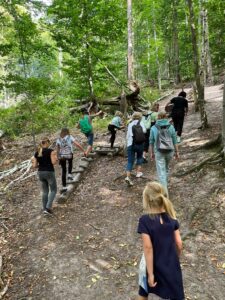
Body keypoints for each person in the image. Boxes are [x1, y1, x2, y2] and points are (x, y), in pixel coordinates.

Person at [137, 181, 184, 300]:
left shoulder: (144, 220)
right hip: (171, 265)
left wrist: (151, 274)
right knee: (177, 295)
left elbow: (148, 248)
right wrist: (175, 258)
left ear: (147, 200)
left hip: (152, 265)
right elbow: (179, 243)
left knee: (143, 292)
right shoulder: (172, 218)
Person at [149, 112, 179, 195]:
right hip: (170, 151)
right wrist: (177, 152)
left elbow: (151, 141)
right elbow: (175, 140)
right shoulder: (171, 127)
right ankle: (164, 185)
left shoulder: (153, 128)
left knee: (161, 172)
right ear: (166, 117)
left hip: (159, 151)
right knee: (166, 168)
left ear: (158, 117)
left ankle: (165, 192)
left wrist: (152, 153)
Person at [31, 138, 57, 216]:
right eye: (49, 143)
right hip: (49, 172)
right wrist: (56, 158)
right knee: (53, 190)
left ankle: (44, 208)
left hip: (40, 173)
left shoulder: (37, 153)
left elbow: (35, 166)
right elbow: (53, 162)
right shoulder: (51, 151)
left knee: (45, 191)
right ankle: (48, 207)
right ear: (47, 143)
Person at [56, 128, 86, 192]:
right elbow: (77, 144)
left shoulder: (58, 139)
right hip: (69, 154)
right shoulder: (70, 137)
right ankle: (69, 174)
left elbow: (58, 149)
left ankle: (64, 187)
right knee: (70, 163)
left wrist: (58, 157)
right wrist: (83, 150)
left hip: (62, 156)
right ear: (67, 132)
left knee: (63, 171)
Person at [125, 112, 146, 186]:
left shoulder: (130, 124)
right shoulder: (141, 123)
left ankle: (128, 177)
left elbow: (128, 136)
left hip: (131, 144)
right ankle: (138, 173)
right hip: (140, 144)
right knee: (139, 157)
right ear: (140, 117)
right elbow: (144, 131)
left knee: (130, 161)